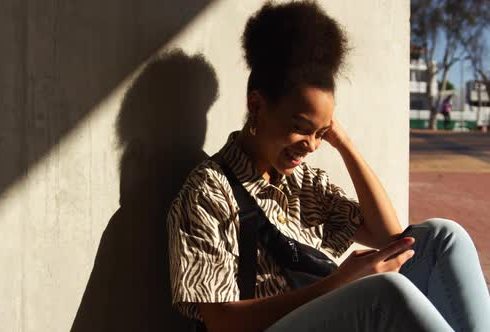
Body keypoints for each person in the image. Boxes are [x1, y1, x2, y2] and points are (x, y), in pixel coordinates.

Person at [166, 1, 490, 331]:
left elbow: (389, 236)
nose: (311, 145)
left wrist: (344, 143)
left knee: (444, 237)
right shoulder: (208, 191)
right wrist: (338, 284)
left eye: (321, 132)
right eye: (301, 128)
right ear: (257, 105)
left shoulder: (304, 183)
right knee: (384, 292)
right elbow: (221, 322)